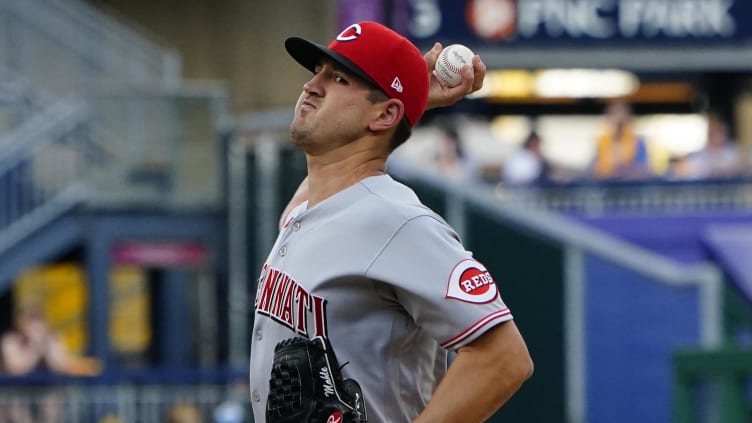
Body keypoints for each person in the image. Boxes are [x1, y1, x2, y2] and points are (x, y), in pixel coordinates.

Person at [250, 21, 533, 423]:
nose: (312, 86)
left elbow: (504, 359)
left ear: (383, 114)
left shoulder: (396, 220)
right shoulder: (309, 210)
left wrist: (401, 103)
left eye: (339, 78)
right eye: (317, 73)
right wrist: (414, 100)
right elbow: (314, 203)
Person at [0, 301, 101, 423]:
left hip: (47, 391)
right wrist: (34, 347)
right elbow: (16, 369)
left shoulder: (53, 338)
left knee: (52, 403)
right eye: (29, 318)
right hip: (17, 393)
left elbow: (60, 366)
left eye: (37, 317)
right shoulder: (10, 340)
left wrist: (45, 346)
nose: (33, 323)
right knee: (17, 407)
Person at [591, 101, 651, 181]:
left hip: (631, 187)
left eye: (622, 116)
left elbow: (644, 170)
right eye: (614, 115)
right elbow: (593, 169)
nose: (618, 120)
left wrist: (626, 172)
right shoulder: (602, 142)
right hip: (606, 187)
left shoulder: (638, 142)